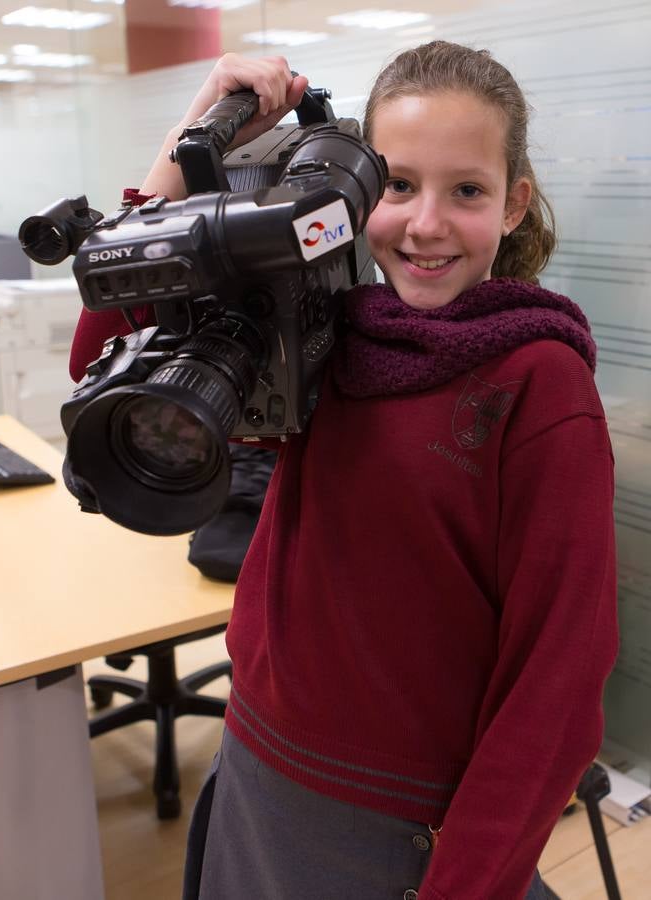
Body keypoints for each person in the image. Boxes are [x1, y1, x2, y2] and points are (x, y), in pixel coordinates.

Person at [69, 44, 618, 900]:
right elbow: (108, 353)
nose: (425, 224)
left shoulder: (540, 386)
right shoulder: (325, 328)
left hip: (400, 824)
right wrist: (191, 141)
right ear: (358, 194)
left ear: (513, 205)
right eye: (397, 186)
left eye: (465, 190)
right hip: (256, 766)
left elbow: (557, 685)